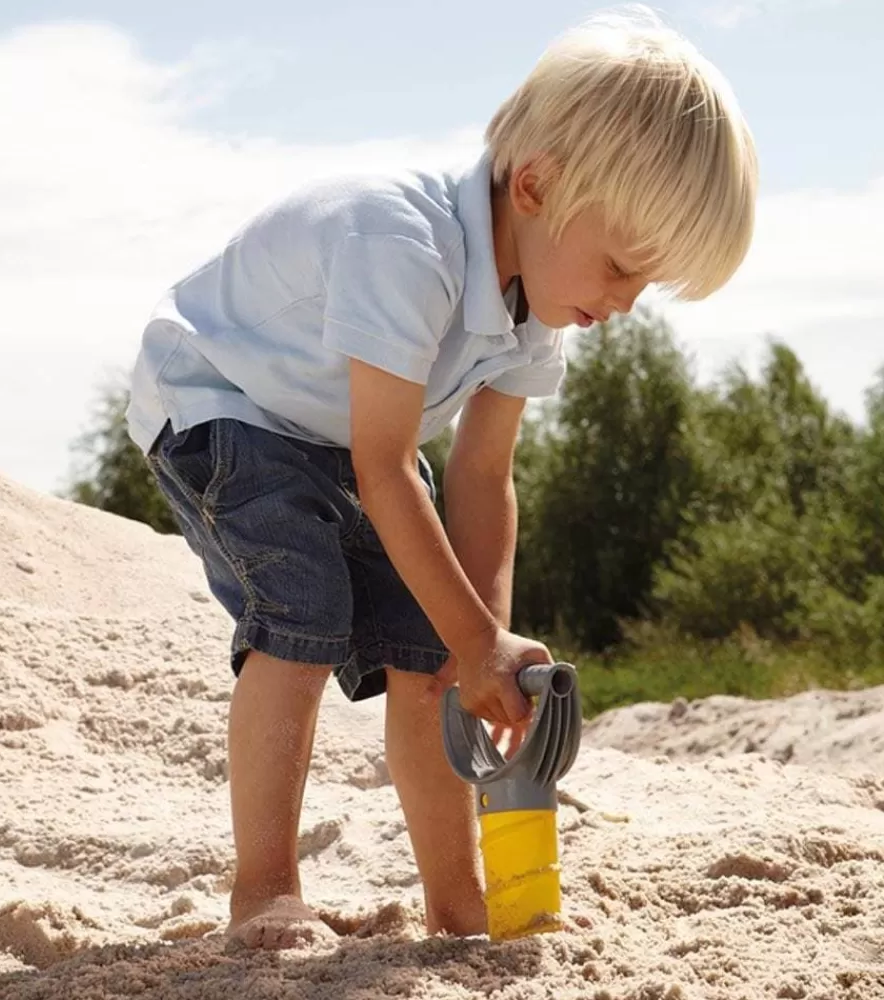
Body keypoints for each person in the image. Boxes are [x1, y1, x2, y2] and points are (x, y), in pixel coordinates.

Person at [125, 6, 757, 950]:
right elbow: (387, 469)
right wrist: (476, 642)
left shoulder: (536, 314)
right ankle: (263, 890)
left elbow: (483, 476)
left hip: (337, 431)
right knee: (304, 609)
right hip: (223, 401)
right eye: (622, 266)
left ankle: (460, 912)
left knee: (431, 654)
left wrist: (479, 647)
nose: (624, 305)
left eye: (646, 287)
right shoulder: (402, 245)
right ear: (536, 186)